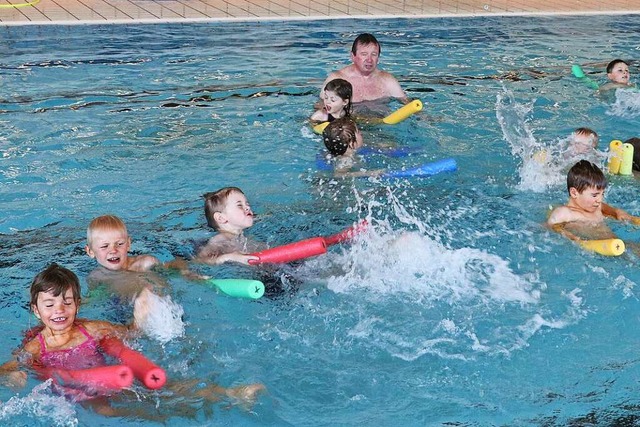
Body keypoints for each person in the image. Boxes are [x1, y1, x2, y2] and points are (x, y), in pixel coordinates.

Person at [0, 263, 264, 418]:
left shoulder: (92, 329)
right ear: (36, 310)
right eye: (49, 304)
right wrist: (14, 375)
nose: (59, 310)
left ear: (77, 305)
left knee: (168, 388)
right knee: (112, 410)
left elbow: (131, 333)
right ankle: (176, 413)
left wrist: (141, 316)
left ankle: (230, 394)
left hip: (117, 378)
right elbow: (11, 365)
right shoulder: (37, 345)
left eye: (66, 302)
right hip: (80, 392)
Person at [85, 215, 199, 328]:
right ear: (90, 251)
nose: (113, 250)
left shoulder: (145, 263)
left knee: (147, 294)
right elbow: (96, 298)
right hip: (124, 312)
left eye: (119, 244)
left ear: (128, 244)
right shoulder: (96, 276)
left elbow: (170, 269)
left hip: (162, 309)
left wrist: (184, 271)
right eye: (104, 246)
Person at [547, 160, 635, 243]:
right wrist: (567, 235)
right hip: (594, 248)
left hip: (615, 244)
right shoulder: (565, 213)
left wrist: (617, 212)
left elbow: (604, 207)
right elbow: (550, 226)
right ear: (574, 193)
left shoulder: (597, 206)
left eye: (602, 194)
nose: (599, 200)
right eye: (594, 195)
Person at [321, 33, 409, 104]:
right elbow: (321, 106)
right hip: (348, 124)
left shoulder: (387, 81)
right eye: (364, 54)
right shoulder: (336, 79)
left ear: (378, 57)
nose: (369, 59)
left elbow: (407, 103)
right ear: (353, 56)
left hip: (381, 123)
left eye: (374, 54)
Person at [195, 187, 264, 265]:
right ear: (221, 218)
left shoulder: (243, 237)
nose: (248, 207)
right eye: (239, 205)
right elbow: (200, 260)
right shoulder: (220, 239)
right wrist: (229, 257)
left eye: (247, 204)